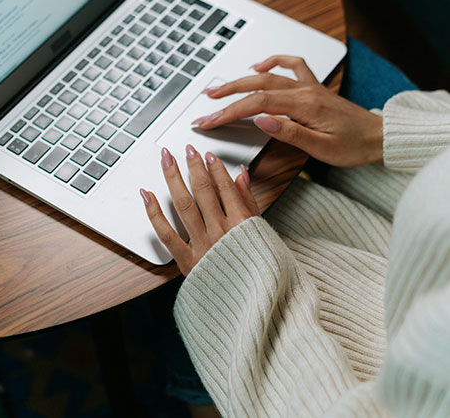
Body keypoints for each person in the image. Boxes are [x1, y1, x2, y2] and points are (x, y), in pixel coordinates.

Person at [140, 49, 450, 417]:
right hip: (428, 180)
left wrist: (234, 286)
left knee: (164, 232)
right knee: (310, 57)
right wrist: (381, 134)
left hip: (352, 349)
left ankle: (193, 390)